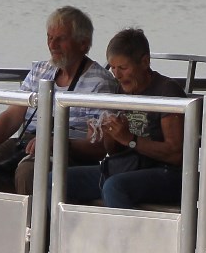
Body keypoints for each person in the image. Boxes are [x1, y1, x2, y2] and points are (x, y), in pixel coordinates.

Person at [0, 6, 116, 194]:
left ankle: (32, 223)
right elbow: (11, 116)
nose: (52, 44)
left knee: (29, 171)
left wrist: (56, 142)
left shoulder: (100, 82)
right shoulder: (41, 70)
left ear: (83, 43)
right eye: (49, 37)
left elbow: (98, 147)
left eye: (61, 39)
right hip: (26, 144)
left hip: (69, 153)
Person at [62, 27, 188, 208]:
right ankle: (65, 234)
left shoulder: (167, 91)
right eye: (113, 68)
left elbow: (175, 154)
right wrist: (109, 133)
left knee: (114, 187)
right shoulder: (121, 91)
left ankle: (124, 237)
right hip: (129, 167)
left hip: (168, 174)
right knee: (57, 180)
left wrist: (131, 139)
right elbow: (114, 152)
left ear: (145, 62)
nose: (117, 75)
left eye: (123, 68)